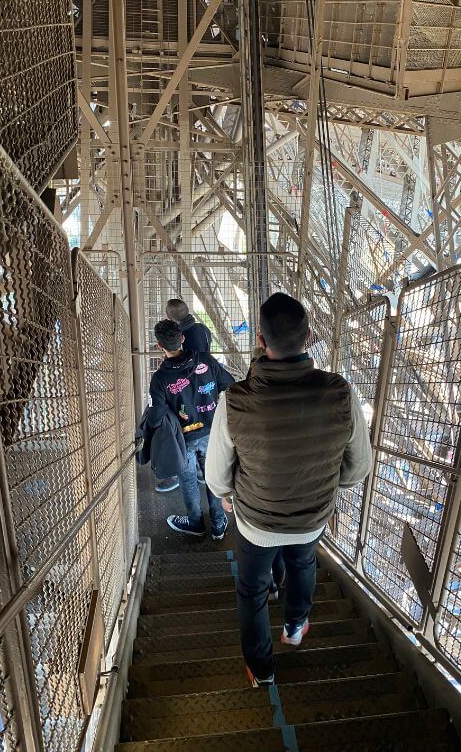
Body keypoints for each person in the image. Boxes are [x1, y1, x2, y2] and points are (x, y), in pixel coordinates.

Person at [206, 292, 372, 687]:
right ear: (309, 336)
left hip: (256, 522)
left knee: (252, 590)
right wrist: (327, 487)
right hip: (312, 518)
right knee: (302, 564)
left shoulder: (234, 402)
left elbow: (215, 479)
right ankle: (295, 627)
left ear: (260, 341)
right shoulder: (341, 393)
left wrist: (228, 497)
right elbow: (358, 468)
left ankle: (262, 670)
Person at [149, 319, 235, 539]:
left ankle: (195, 523)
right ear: (183, 339)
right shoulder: (206, 360)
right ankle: (218, 525)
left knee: (188, 481)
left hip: (182, 439)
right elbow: (230, 384)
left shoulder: (159, 379)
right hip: (212, 434)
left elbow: (156, 416)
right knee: (213, 477)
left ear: (160, 346)